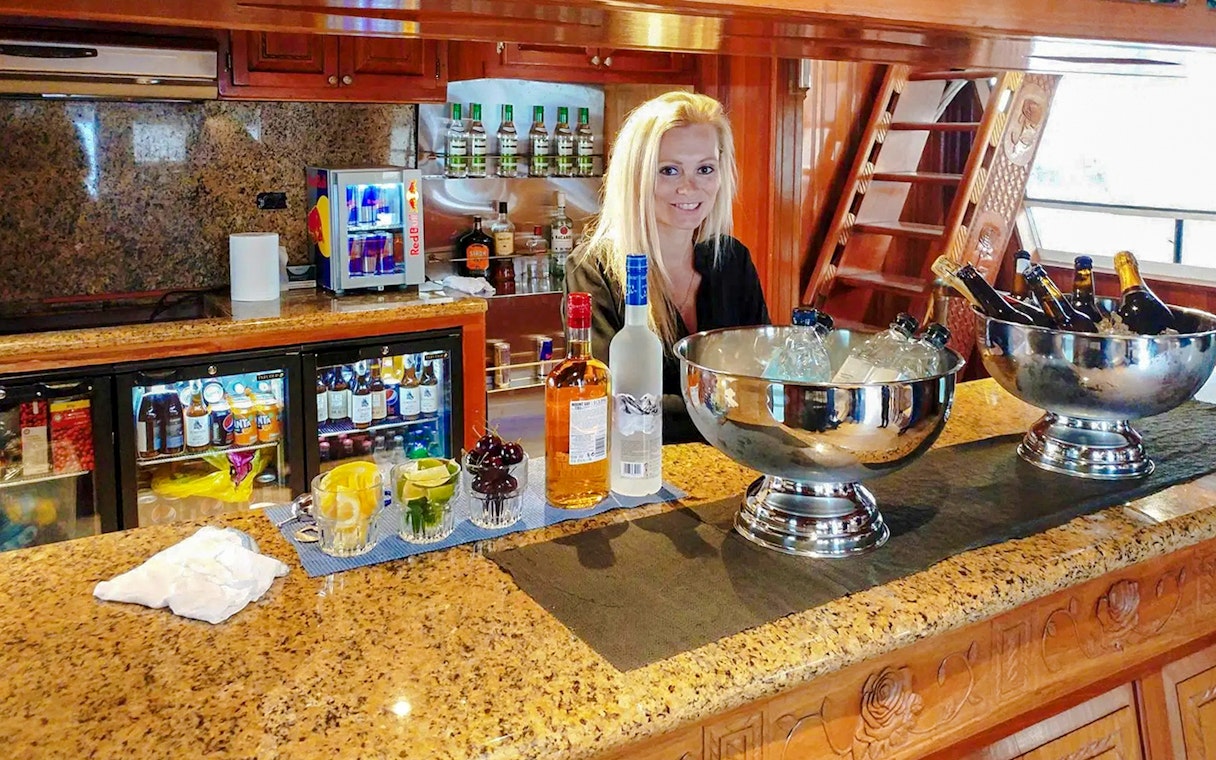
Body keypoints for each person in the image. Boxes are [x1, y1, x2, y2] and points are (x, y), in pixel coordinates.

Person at [565, 91, 770, 443]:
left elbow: (762, 377)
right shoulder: (593, 270)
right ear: (637, 178)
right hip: (641, 472)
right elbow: (613, 403)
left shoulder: (733, 261)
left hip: (736, 465)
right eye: (669, 170)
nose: (689, 187)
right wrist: (730, 408)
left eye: (704, 169)